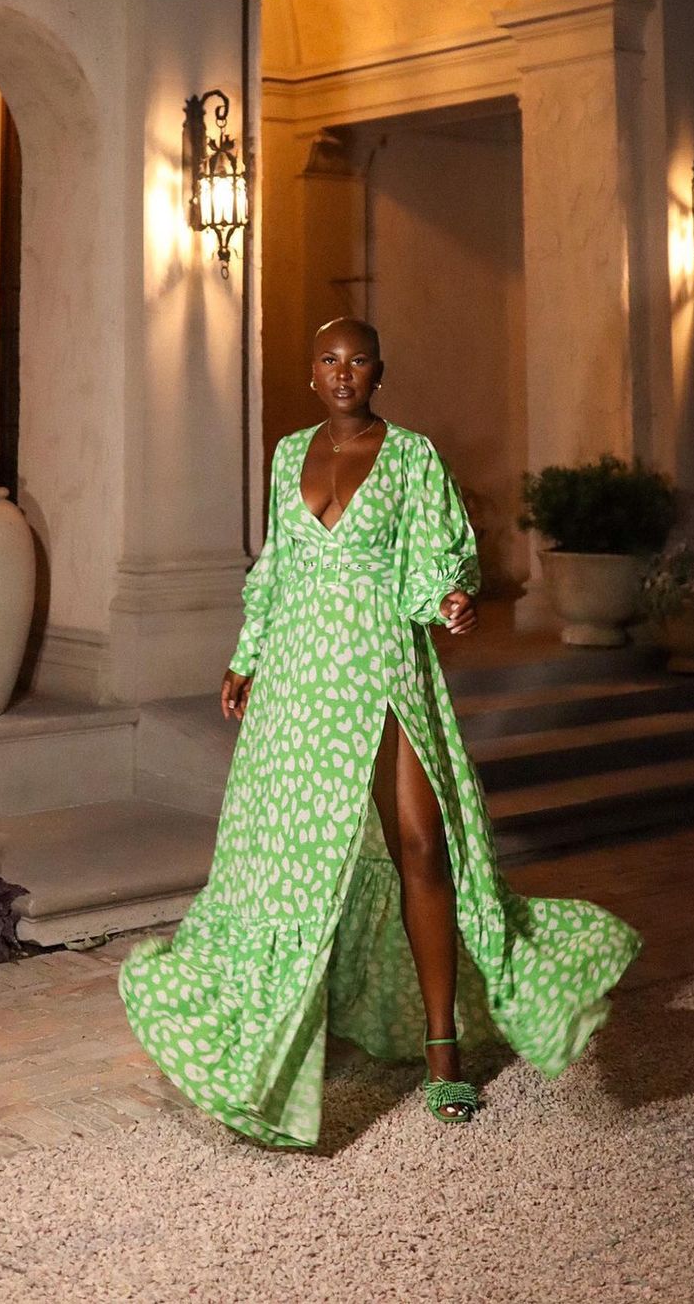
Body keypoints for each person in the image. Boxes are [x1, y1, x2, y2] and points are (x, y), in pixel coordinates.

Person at [118, 317, 642, 1147]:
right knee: (295, 866)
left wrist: (451, 600)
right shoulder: (288, 455)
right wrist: (246, 655)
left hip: (383, 665)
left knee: (422, 845)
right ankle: (283, 1034)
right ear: (311, 373)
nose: (343, 372)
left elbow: (438, 558)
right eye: (328, 360)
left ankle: (443, 1050)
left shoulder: (411, 457)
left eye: (357, 360)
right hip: (297, 682)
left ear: (378, 372)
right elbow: (276, 567)